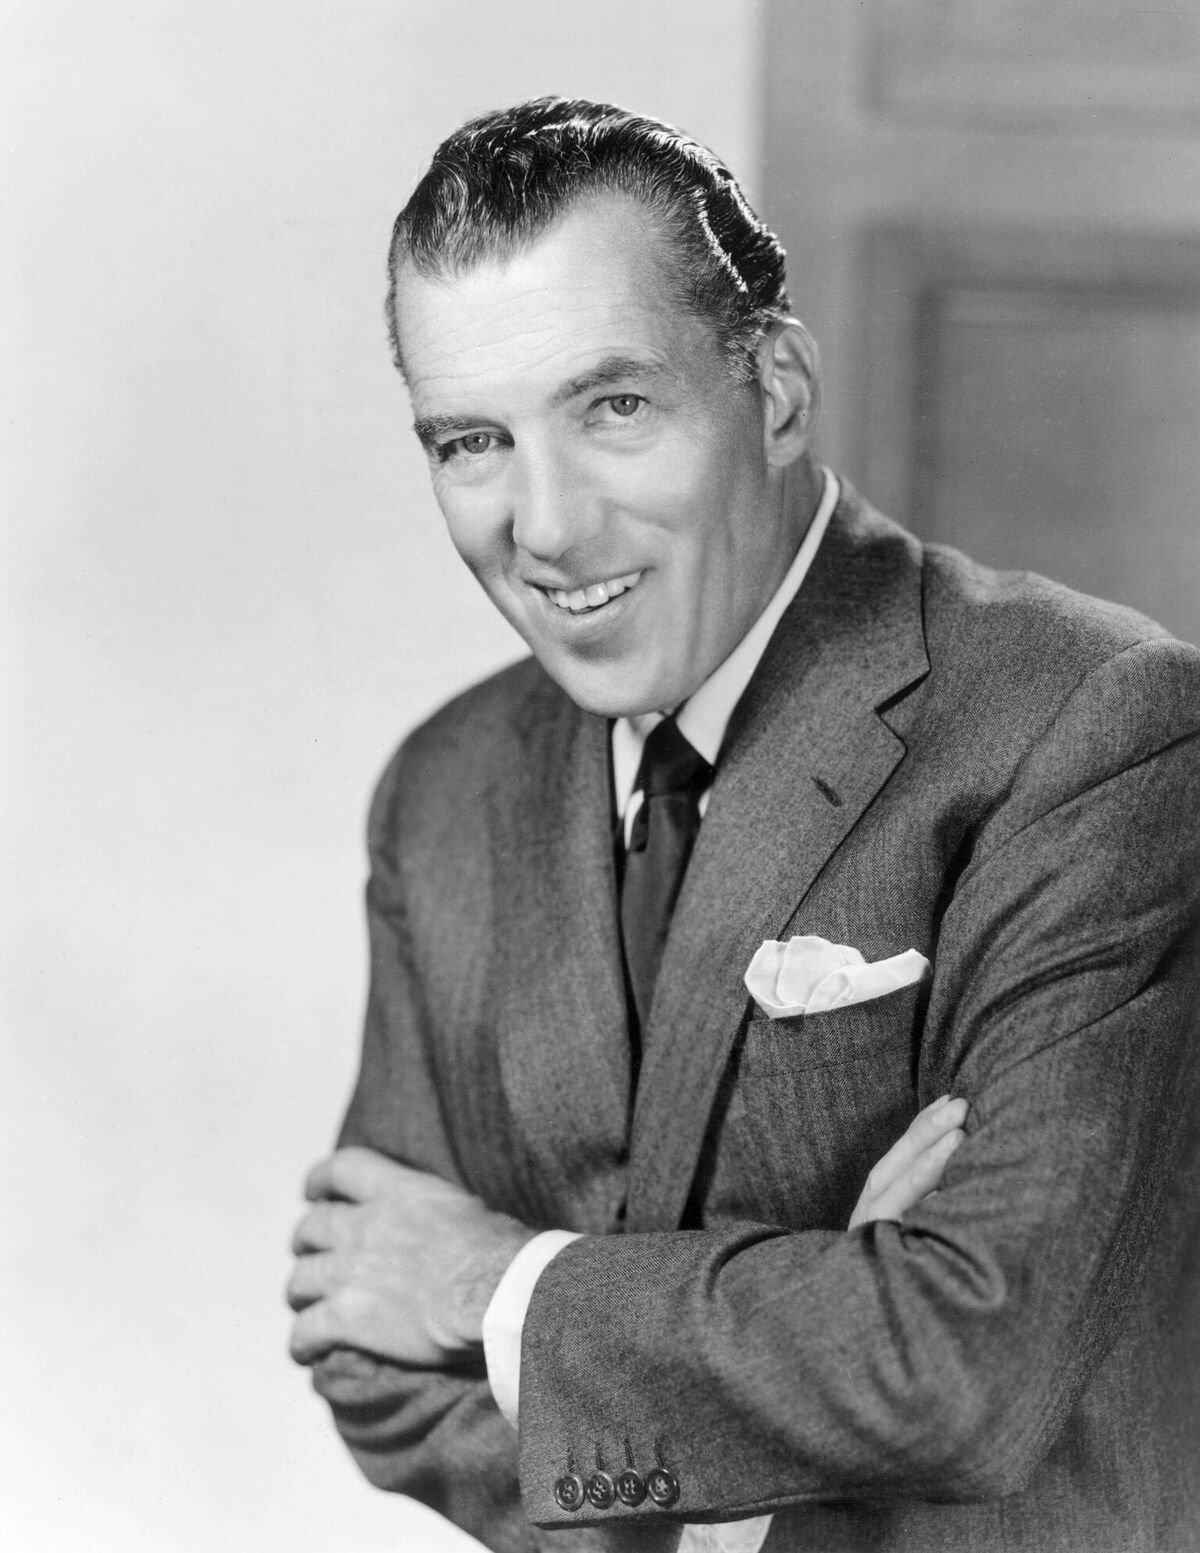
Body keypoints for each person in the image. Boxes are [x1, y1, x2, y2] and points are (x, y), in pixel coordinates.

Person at [286, 99, 1200, 1553]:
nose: (547, 527)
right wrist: (822, 1312)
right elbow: (365, 1343)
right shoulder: (443, 789)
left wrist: (497, 1288)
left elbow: (968, 1362)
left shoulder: (1091, 721)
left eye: (614, 408)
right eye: (471, 441)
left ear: (774, 388)